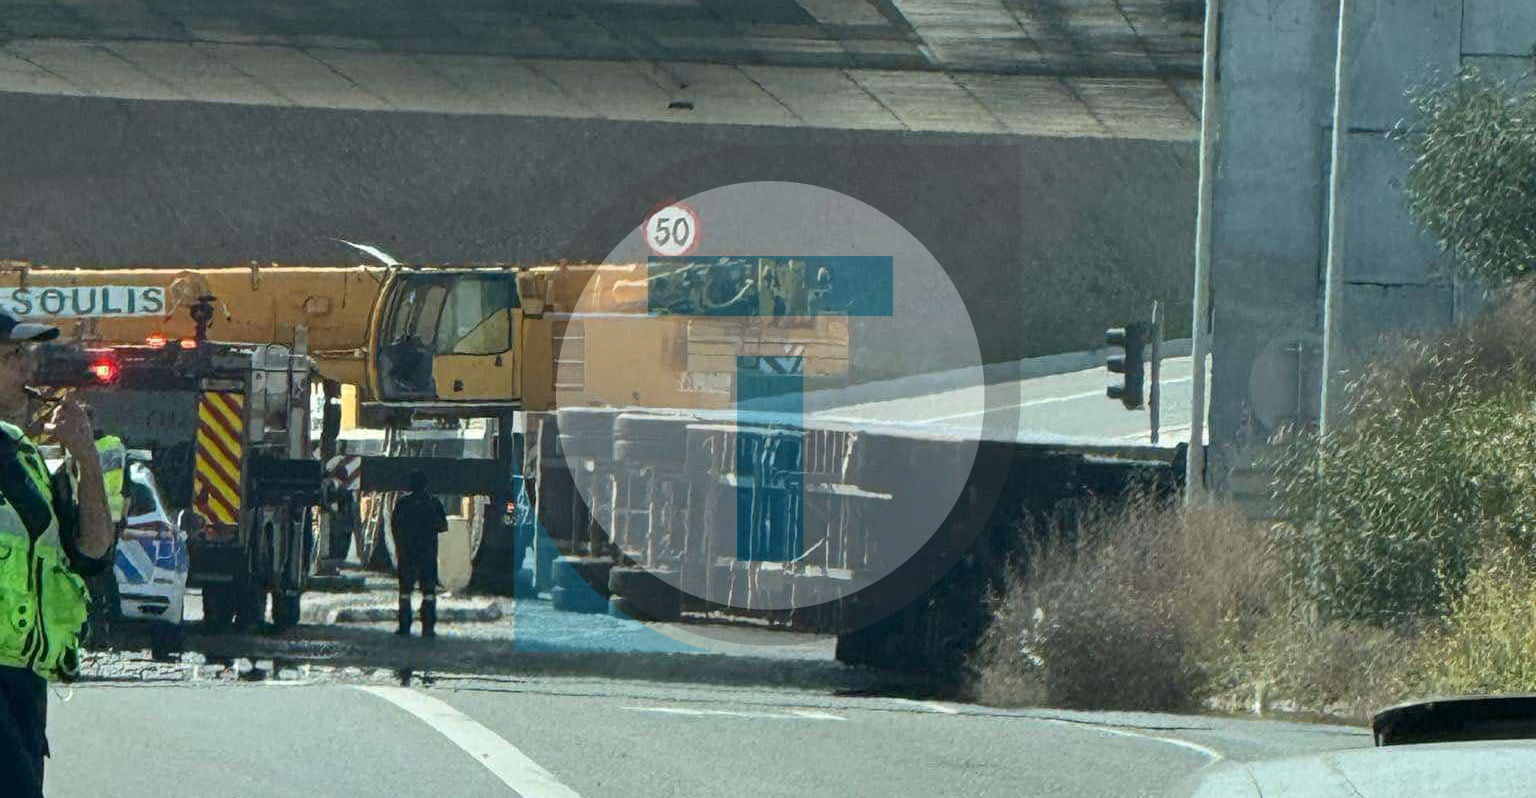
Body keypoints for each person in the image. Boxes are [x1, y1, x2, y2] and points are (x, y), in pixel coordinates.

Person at [0, 309, 114, 797]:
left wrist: (86, 457)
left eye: (26, 357)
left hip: (24, 677)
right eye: (11, 358)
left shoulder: (25, 457)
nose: (28, 371)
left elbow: (91, 553)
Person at [389, 470, 446, 638]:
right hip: (427, 554)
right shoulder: (433, 503)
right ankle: (428, 628)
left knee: (405, 592)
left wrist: (402, 542)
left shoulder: (402, 504)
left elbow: (394, 526)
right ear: (426, 485)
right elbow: (443, 526)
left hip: (407, 553)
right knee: (428, 592)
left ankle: (404, 627)